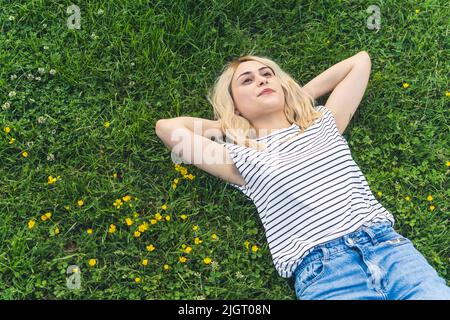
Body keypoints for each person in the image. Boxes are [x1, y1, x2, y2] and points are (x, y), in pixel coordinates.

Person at [155, 52, 450, 300]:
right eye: (247, 81)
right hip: (326, 272)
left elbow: (359, 62)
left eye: (268, 74)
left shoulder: (323, 123)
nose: (261, 80)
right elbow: (167, 129)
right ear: (234, 103)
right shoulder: (241, 157)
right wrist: (231, 124)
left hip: (390, 250)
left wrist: (299, 97)